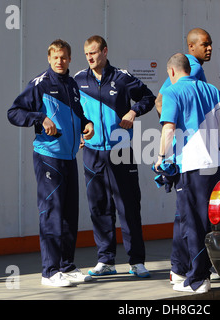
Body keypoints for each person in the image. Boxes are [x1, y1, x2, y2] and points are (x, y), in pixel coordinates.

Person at [7, 39, 95, 287]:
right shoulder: (40, 84)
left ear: (69, 58)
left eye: (64, 57)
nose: (60, 61)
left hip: (69, 157)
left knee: (69, 214)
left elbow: (76, 113)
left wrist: (86, 124)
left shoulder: (72, 84)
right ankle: (49, 271)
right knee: (51, 213)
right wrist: (40, 118)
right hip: (48, 156)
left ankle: (66, 266)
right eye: (56, 57)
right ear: (49, 58)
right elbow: (14, 112)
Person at [154, 53, 220, 293]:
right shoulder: (210, 89)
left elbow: (169, 127)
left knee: (193, 222)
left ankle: (199, 279)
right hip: (213, 163)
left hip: (190, 166)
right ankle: (186, 270)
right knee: (203, 219)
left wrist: (161, 158)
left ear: (171, 72)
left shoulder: (172, 92)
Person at [74, 35, 155, 278]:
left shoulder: (122, 77)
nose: (90, 57)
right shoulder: (78, 79)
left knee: (128, 206)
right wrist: (80, 129)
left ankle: (137, 261)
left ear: (105, 51)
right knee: (99, 206)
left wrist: (132, 111)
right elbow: (74, 109)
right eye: (87, 53)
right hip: (92, 151)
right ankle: (106, 260)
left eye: (94, 52)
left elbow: (148, 97)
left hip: (121, 149)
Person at [155, 28, 212, 116]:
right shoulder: (194, 67)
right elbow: (160, 100)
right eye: (205, 45)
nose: (210, 48)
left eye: (210, 44)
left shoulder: (188, 64)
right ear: (191, 46)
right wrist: (171, 126)